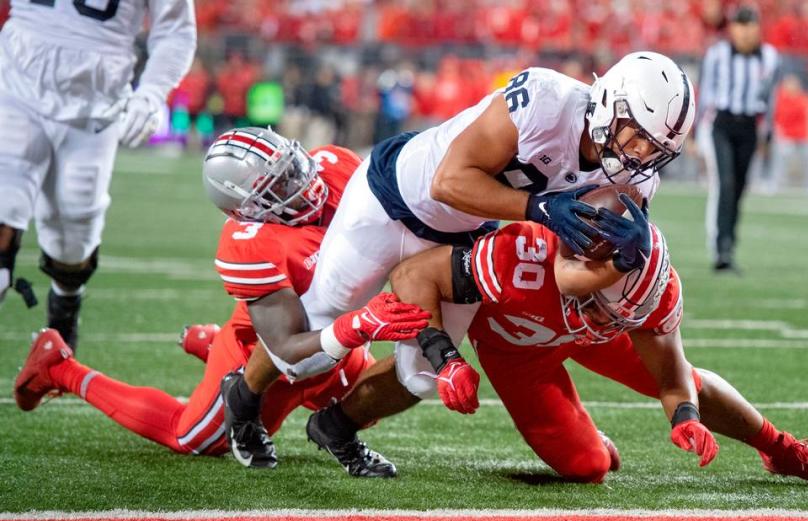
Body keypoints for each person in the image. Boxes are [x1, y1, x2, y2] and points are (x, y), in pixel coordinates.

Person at [231, 51, 697, 471]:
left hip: (465, 231)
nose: (640, 154)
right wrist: (538, 209)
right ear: (611, 102)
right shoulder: (545, 101)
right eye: (636, 136)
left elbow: (571, 270)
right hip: (392, 200)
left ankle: (336, 428)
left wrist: (626, 256)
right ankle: (244, 400)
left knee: (424, 375)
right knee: (314, 336)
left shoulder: (632, 184)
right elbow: (448, 182)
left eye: (656, 149)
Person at [13, 128, 430, 472]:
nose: (302, 186)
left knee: (367, 405)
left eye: (292, 169)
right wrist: (359, 325)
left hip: (334, 344)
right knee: (191, 437)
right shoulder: (249, 243)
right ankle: (58, 367)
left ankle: (206, 344)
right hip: (266, 353)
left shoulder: (335, 166)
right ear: (248, 210)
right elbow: (285, 348)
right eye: (280, 186)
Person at [387, 194, 808, 487]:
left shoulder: (642, 294)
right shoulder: (523, 256)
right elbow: (411, 275)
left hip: (578, 333)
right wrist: (445, 357)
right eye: (605, 307)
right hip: (519, 348)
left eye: (628, 315)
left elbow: (673, 377)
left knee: (691, 382)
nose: (609, 319)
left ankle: (783, 450)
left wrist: (685, 417)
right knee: (588, 466)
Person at [0, 0, 197, 350]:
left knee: (73, 235)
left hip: (96, 103)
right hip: (15, 80)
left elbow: (176, 30)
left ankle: (64, 306)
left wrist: (152, 93)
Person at [698, 6, 780, 273]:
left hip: (748, 126)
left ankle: (729, 244)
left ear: (758, 29)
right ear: (732, 29)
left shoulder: (769, 57)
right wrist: (693, 129)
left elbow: (770, 99)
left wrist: (767, 133)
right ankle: (722, 248)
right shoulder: (717, 54)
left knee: (740, 186)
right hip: (722, 124)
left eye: (750, 26)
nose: (745, 33)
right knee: (727, 183)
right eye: (740, 26)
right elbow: (706, 92)